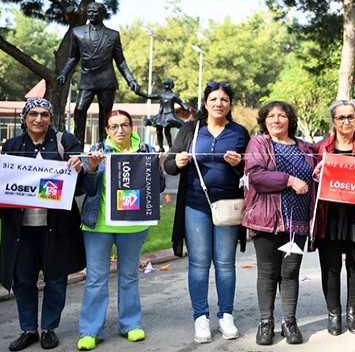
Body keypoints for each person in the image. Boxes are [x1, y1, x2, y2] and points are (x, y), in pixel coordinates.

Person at [0, 98, 86, 351]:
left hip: (57, 226)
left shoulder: (66, 142)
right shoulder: (11, 145)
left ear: (51, 118)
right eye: (33, 114)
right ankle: (28, 329)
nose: (38, 119)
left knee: (56, 278)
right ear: (25, 118)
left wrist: (81, 167)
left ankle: (48, 328)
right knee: (23, 279)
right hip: (21, 228)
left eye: (44, 114)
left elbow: (82, 184)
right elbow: (3, 187)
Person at [163, 82, 249, 343]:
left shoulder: (239, 132)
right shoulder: (191, 129)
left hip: (229, 207)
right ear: (206, 102)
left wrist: (241, 164)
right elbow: (168, 162)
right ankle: (201, 317)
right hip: (195, 205)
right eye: (214, 99)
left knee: (225, 264)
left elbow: (251, 167)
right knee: (199, 263)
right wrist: (176, 162)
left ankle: (226, 315)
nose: (219, 103)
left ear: (230, 104)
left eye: (224, 99)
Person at [77, 110, 160, 351]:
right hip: (98, 225)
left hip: (133, 226)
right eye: (114, 126)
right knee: (95, 278)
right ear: (106, 130)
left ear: (132, 127)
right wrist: (92, 167)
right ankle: (91, 330)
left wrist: (156, 169)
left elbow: (159, 187)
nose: (120, 130)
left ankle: (130, 324)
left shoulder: (146, 150)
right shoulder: (97, 149)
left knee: (130, 275)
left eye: (124, 125)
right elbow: (87, 189)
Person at [243, 101, 316, 346]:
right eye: (271, 116)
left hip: (298, 222)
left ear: (290, 120)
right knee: (267, 272)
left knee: (290, 273)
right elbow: (255, 175)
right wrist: (289, 180)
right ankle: (266, 323)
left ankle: (289, 322)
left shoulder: (306, 147)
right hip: (266, 219)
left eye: (282, 115)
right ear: (264, 120)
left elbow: (320, 173)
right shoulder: (259, 144)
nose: (276, 120)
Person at [312, 100, 355, 335]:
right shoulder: (320, 148)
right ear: (333, 121)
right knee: (329, 268)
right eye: (341, 117)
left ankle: (353, 313)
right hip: (328, 215)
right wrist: (317, 174)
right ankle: (334, 314)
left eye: (351, 117)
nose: (346, 121)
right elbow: (312, 181)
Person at [57, 1, 140, 145]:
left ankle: (105, 144)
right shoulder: (77, 32)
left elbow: (120, 61)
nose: (92, 14)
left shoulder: (113, 35)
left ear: (103, 14)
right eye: (89, 11)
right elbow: (73, 58)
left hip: (106, 79)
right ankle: (78, 143)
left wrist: (131, 80)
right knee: (80, 109)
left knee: (106, 115)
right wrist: (64, 73)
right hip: (87, 78)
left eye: (95, 12)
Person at [136, 78, 194, 152]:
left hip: (169, 116)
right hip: (163, 115)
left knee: (165, 131)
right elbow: (149, 96)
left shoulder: (171, 95)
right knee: (160, 130)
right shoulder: (165, 95)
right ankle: (162, 147)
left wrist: (189, 110)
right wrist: (139, 93)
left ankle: (169, 147)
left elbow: (182, 103)